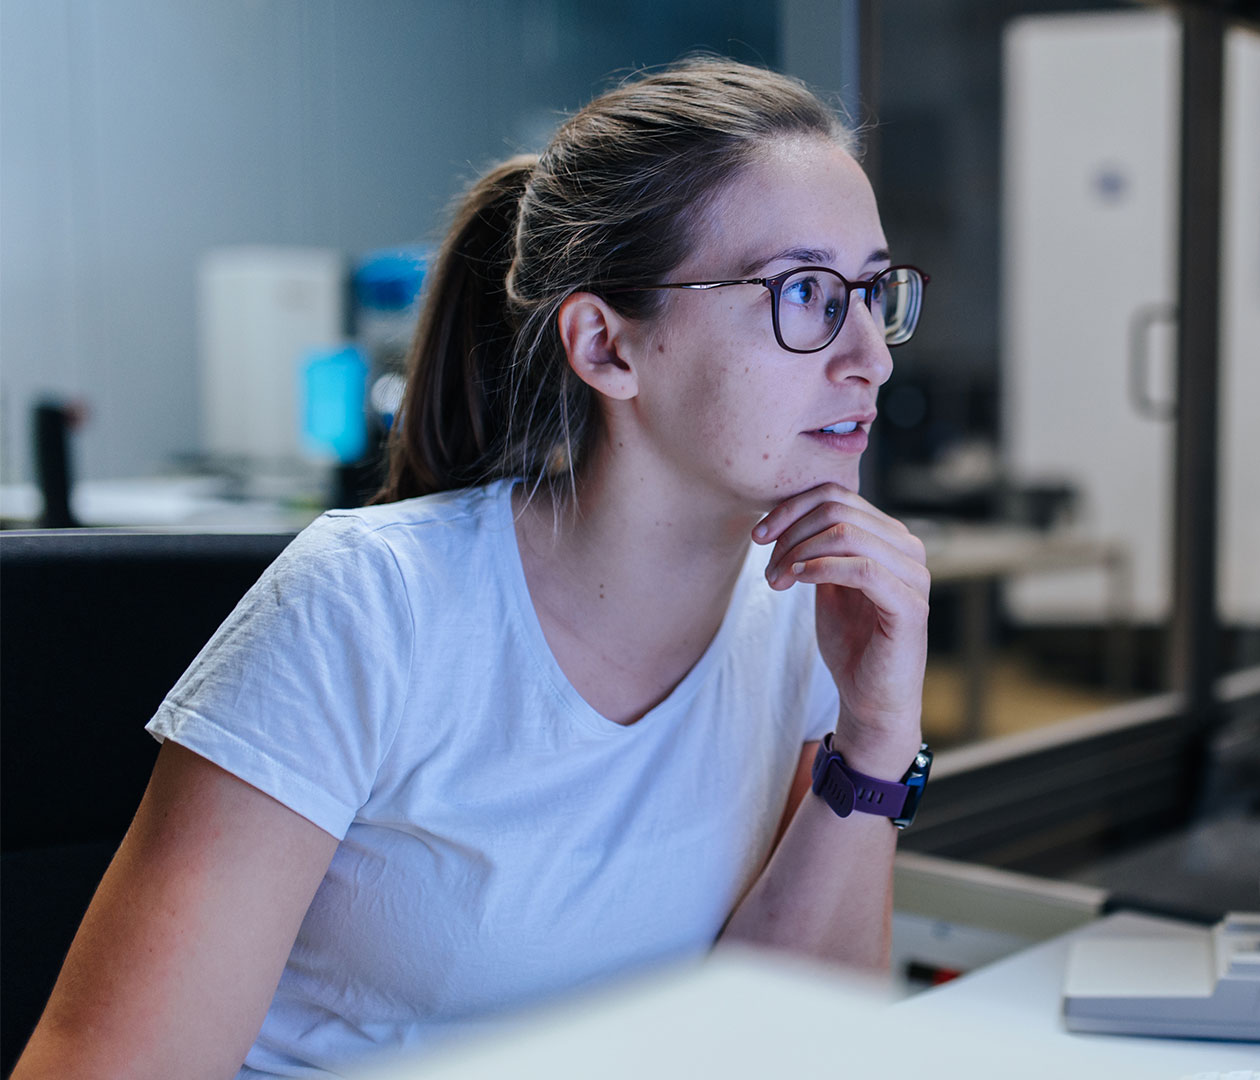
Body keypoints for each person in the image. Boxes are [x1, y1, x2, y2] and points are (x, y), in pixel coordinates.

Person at [14, 59, 932, 1080]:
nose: (871, 356)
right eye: (805, 293)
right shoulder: (368, 608)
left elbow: (789, 1043)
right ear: (607, 347)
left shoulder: (807, 607)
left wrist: (877, 735)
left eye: (871, 292)